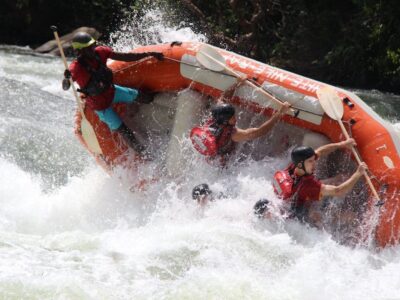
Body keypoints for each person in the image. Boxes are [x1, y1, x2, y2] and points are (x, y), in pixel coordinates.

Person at [62, 32, 164, 155]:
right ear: (80, 52)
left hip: (112, 91)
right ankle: (145, 154)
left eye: (93, 45)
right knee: (124, 131)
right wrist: (66, 78)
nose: (92, 49)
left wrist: (149, 54)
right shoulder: (76, 68)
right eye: (88, 48)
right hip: (101, 106)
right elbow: (65, 86)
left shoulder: (100, 52)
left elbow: (126, 57)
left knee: (145, 97)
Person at [190, 78, 291, 165]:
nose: (236, 117)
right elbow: (259, 132)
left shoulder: (214, 117)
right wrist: (280, 113)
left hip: (210, 157)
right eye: (232, 117)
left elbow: (223, 99)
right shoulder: (234, 134)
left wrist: (237, 83)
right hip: (223, 164)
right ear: (225, 121)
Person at [273, 139, 368, 226]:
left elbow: (320, 151)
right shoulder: (307, 185)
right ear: (300, 164)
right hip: (298, 215)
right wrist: (358, 173)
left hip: (296, 199)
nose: (314, 163)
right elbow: (338, 191)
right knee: (348, 216)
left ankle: (334, 180)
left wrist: (342, 144)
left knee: (332, 182)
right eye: (310, 161)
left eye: (314, 160)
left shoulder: (295, 167)